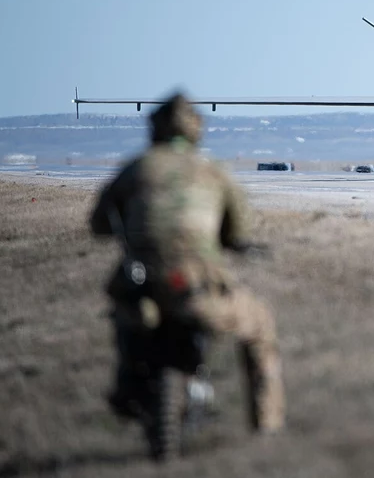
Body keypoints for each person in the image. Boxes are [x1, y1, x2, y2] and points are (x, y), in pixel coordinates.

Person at [89, 93, 284, 433]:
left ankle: (125, 387)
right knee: (261, 326)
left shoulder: (138, 168)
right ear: (196, 130)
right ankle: (266, 425)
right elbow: (237, 230)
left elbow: (99, 222)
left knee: (122, 317)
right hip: (199, 288)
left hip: (142, 284)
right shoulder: (212, 171)